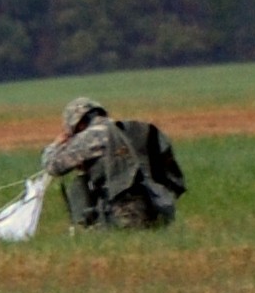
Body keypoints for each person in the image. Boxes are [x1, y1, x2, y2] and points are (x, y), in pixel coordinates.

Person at [39, 97, 183, 229]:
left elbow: (53, 166)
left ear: (79, 124)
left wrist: (55, 144)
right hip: (161, 207)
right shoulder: (131, 129)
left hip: (125, 214)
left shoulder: (93, 135)